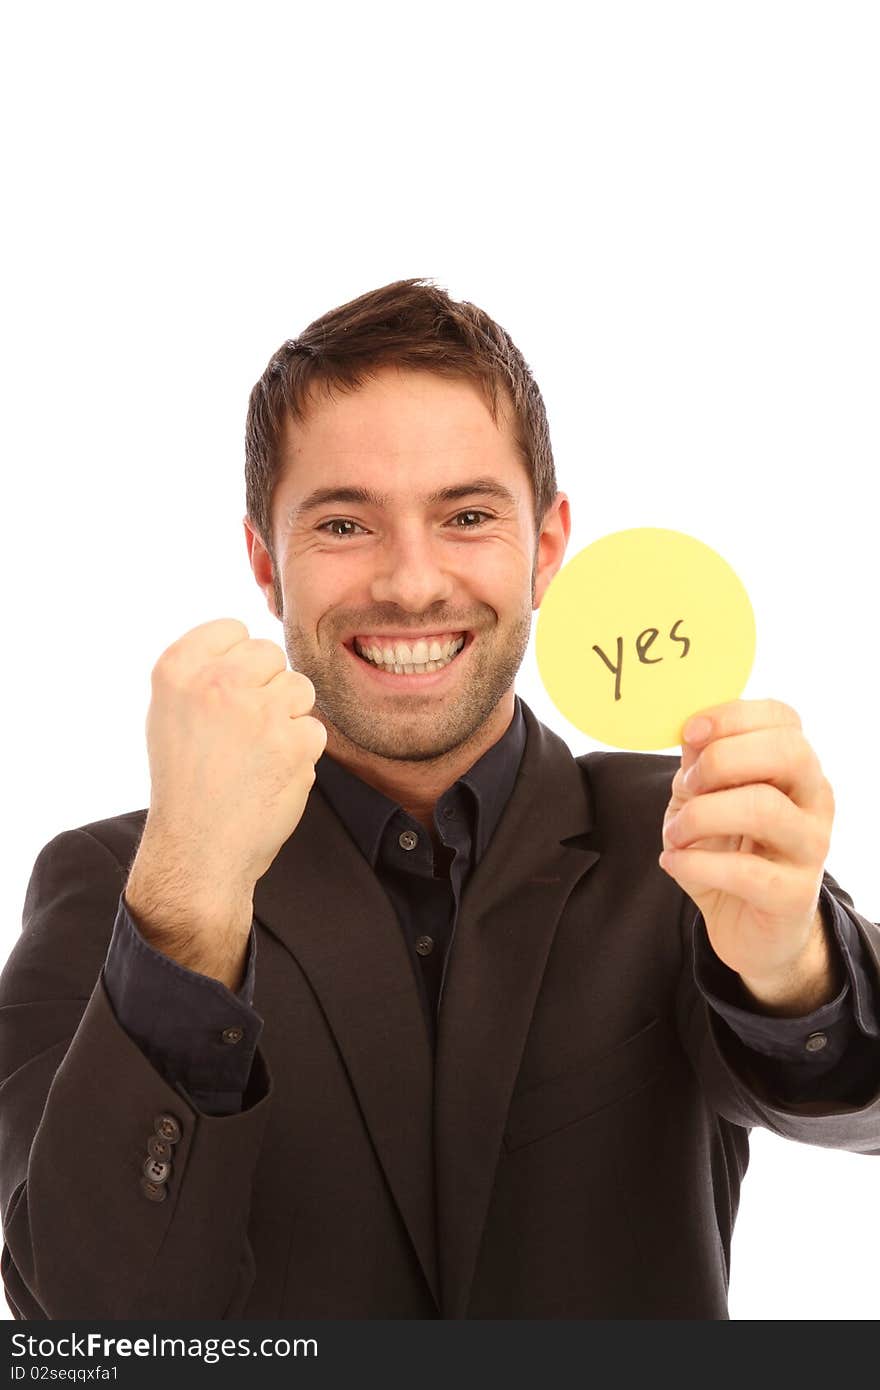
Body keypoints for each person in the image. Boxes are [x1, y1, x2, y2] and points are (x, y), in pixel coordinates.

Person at [1, 278, 878, 1322]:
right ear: (263, 563)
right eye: (342, 524)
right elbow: (89, 1321)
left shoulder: (682, 833)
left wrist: (792, 970)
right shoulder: (122, 886)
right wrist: (188, 915)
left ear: (545, 546)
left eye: (466, 515)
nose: (413, 584)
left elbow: (855, 1104)